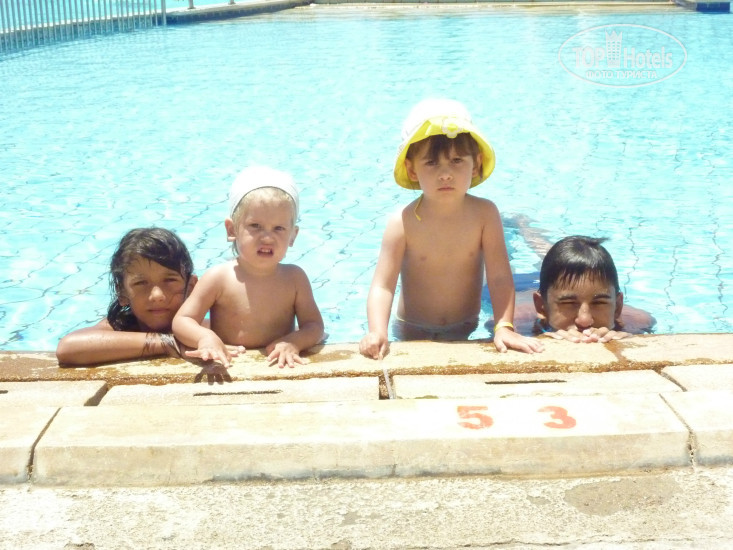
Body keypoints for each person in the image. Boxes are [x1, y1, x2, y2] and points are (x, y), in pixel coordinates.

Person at [359, 98, 545, 359]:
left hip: (466, 326)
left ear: (476, 164)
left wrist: (504, 326)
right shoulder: (402, 223)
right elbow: (383, 286)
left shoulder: (484, 215)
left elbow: (500, 278)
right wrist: (378, 331)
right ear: (412, 170)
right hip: (411, 328)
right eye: (431, 163)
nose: (445, 174)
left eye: (457, 160)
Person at [173, 166, 324, 369]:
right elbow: (182, 320)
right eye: (255, 226)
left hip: (277, 368)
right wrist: (205, 337)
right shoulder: (218, 278)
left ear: (293, 236)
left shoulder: (295, 278)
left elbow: (314, 326)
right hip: (229, 367)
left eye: (279, 228)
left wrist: (293, 342)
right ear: (232, 229)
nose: (267, 237)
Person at [56, 227, 198, 366]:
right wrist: (168, 342)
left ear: (191, 287)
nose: (157, 295)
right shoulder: (119, 326)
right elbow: (68, 347)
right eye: (141, 283)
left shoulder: (199, 327)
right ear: (122, 293)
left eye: (170, 280)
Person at [527, 235, 655, 342]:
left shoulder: (640, 322)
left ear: (618, 306)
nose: (584, 321)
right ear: (541, 306)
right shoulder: (521, 321)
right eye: (569, 303)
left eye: (599, 303)